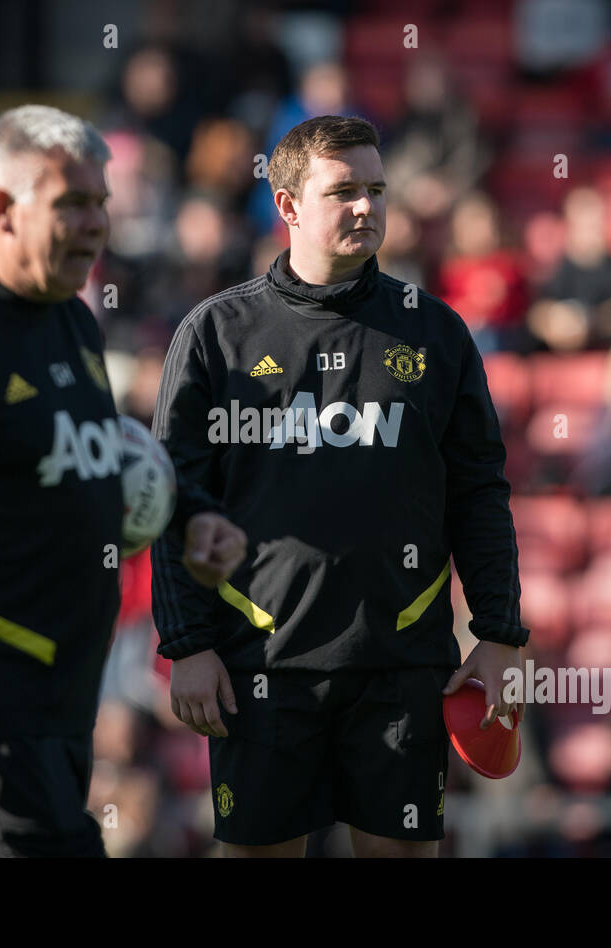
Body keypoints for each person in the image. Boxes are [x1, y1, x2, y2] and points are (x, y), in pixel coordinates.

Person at [0, 104, 245, 858]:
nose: (97, 224)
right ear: (0, 207)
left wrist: (192, 516)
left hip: (65, 699)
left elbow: (110, 450)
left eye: (101, 202)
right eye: (72, 204)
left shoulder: (74, 324)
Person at [152, 115, 528, 858]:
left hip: (401, 662)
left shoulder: (436, 333)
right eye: (345, 191)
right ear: (287, 206)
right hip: (259, 664)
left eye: (377, 189)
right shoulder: (215, 335)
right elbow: (173, 498)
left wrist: (499, 633)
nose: (367, 207)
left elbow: (480, 492)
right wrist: (187, 644)